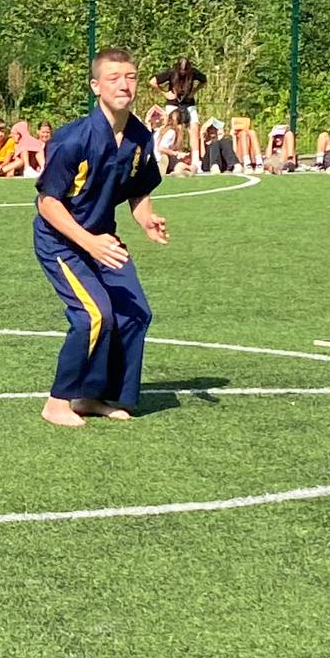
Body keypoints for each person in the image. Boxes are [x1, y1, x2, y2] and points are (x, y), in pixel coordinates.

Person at [34, 47, 168, 428]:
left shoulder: (140, 136)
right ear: (96, 86)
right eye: (114, 78)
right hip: (61, 241)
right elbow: (47, 203)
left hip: (102, 240)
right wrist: (88, 242)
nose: (124, 85)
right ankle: (57, 402)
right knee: (93, 314)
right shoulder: (73, 139)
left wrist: (147, 220)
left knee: (135, 312)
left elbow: (138, 190)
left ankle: (94, 395)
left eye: (131, 77)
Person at [150, 57, 206, 163]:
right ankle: (176, 157)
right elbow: (153, 81)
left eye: (185, 70)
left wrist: (194, 91)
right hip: (173, 104)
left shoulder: (193, 73)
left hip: (189, 104)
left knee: (194, 128)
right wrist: (165, 93)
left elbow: (204, 80)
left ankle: (196, 160)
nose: (183, 72)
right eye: (181, 70)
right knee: (176, 128)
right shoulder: (171, 72)